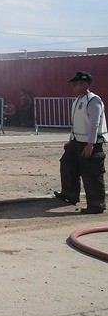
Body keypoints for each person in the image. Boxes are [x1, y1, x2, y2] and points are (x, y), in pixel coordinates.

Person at [54, 71, 106, 214]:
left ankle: (96, 204)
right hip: (77, 142)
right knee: (67, 164)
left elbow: (94, 124)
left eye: (76, 83)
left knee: (91, 174)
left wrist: (91, 144)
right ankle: (69, 194)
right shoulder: (78, 100)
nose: (73, 86)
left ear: (85, 84)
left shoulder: (93, 100)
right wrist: (71, 141)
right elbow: (76, 123)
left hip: (90, 144)